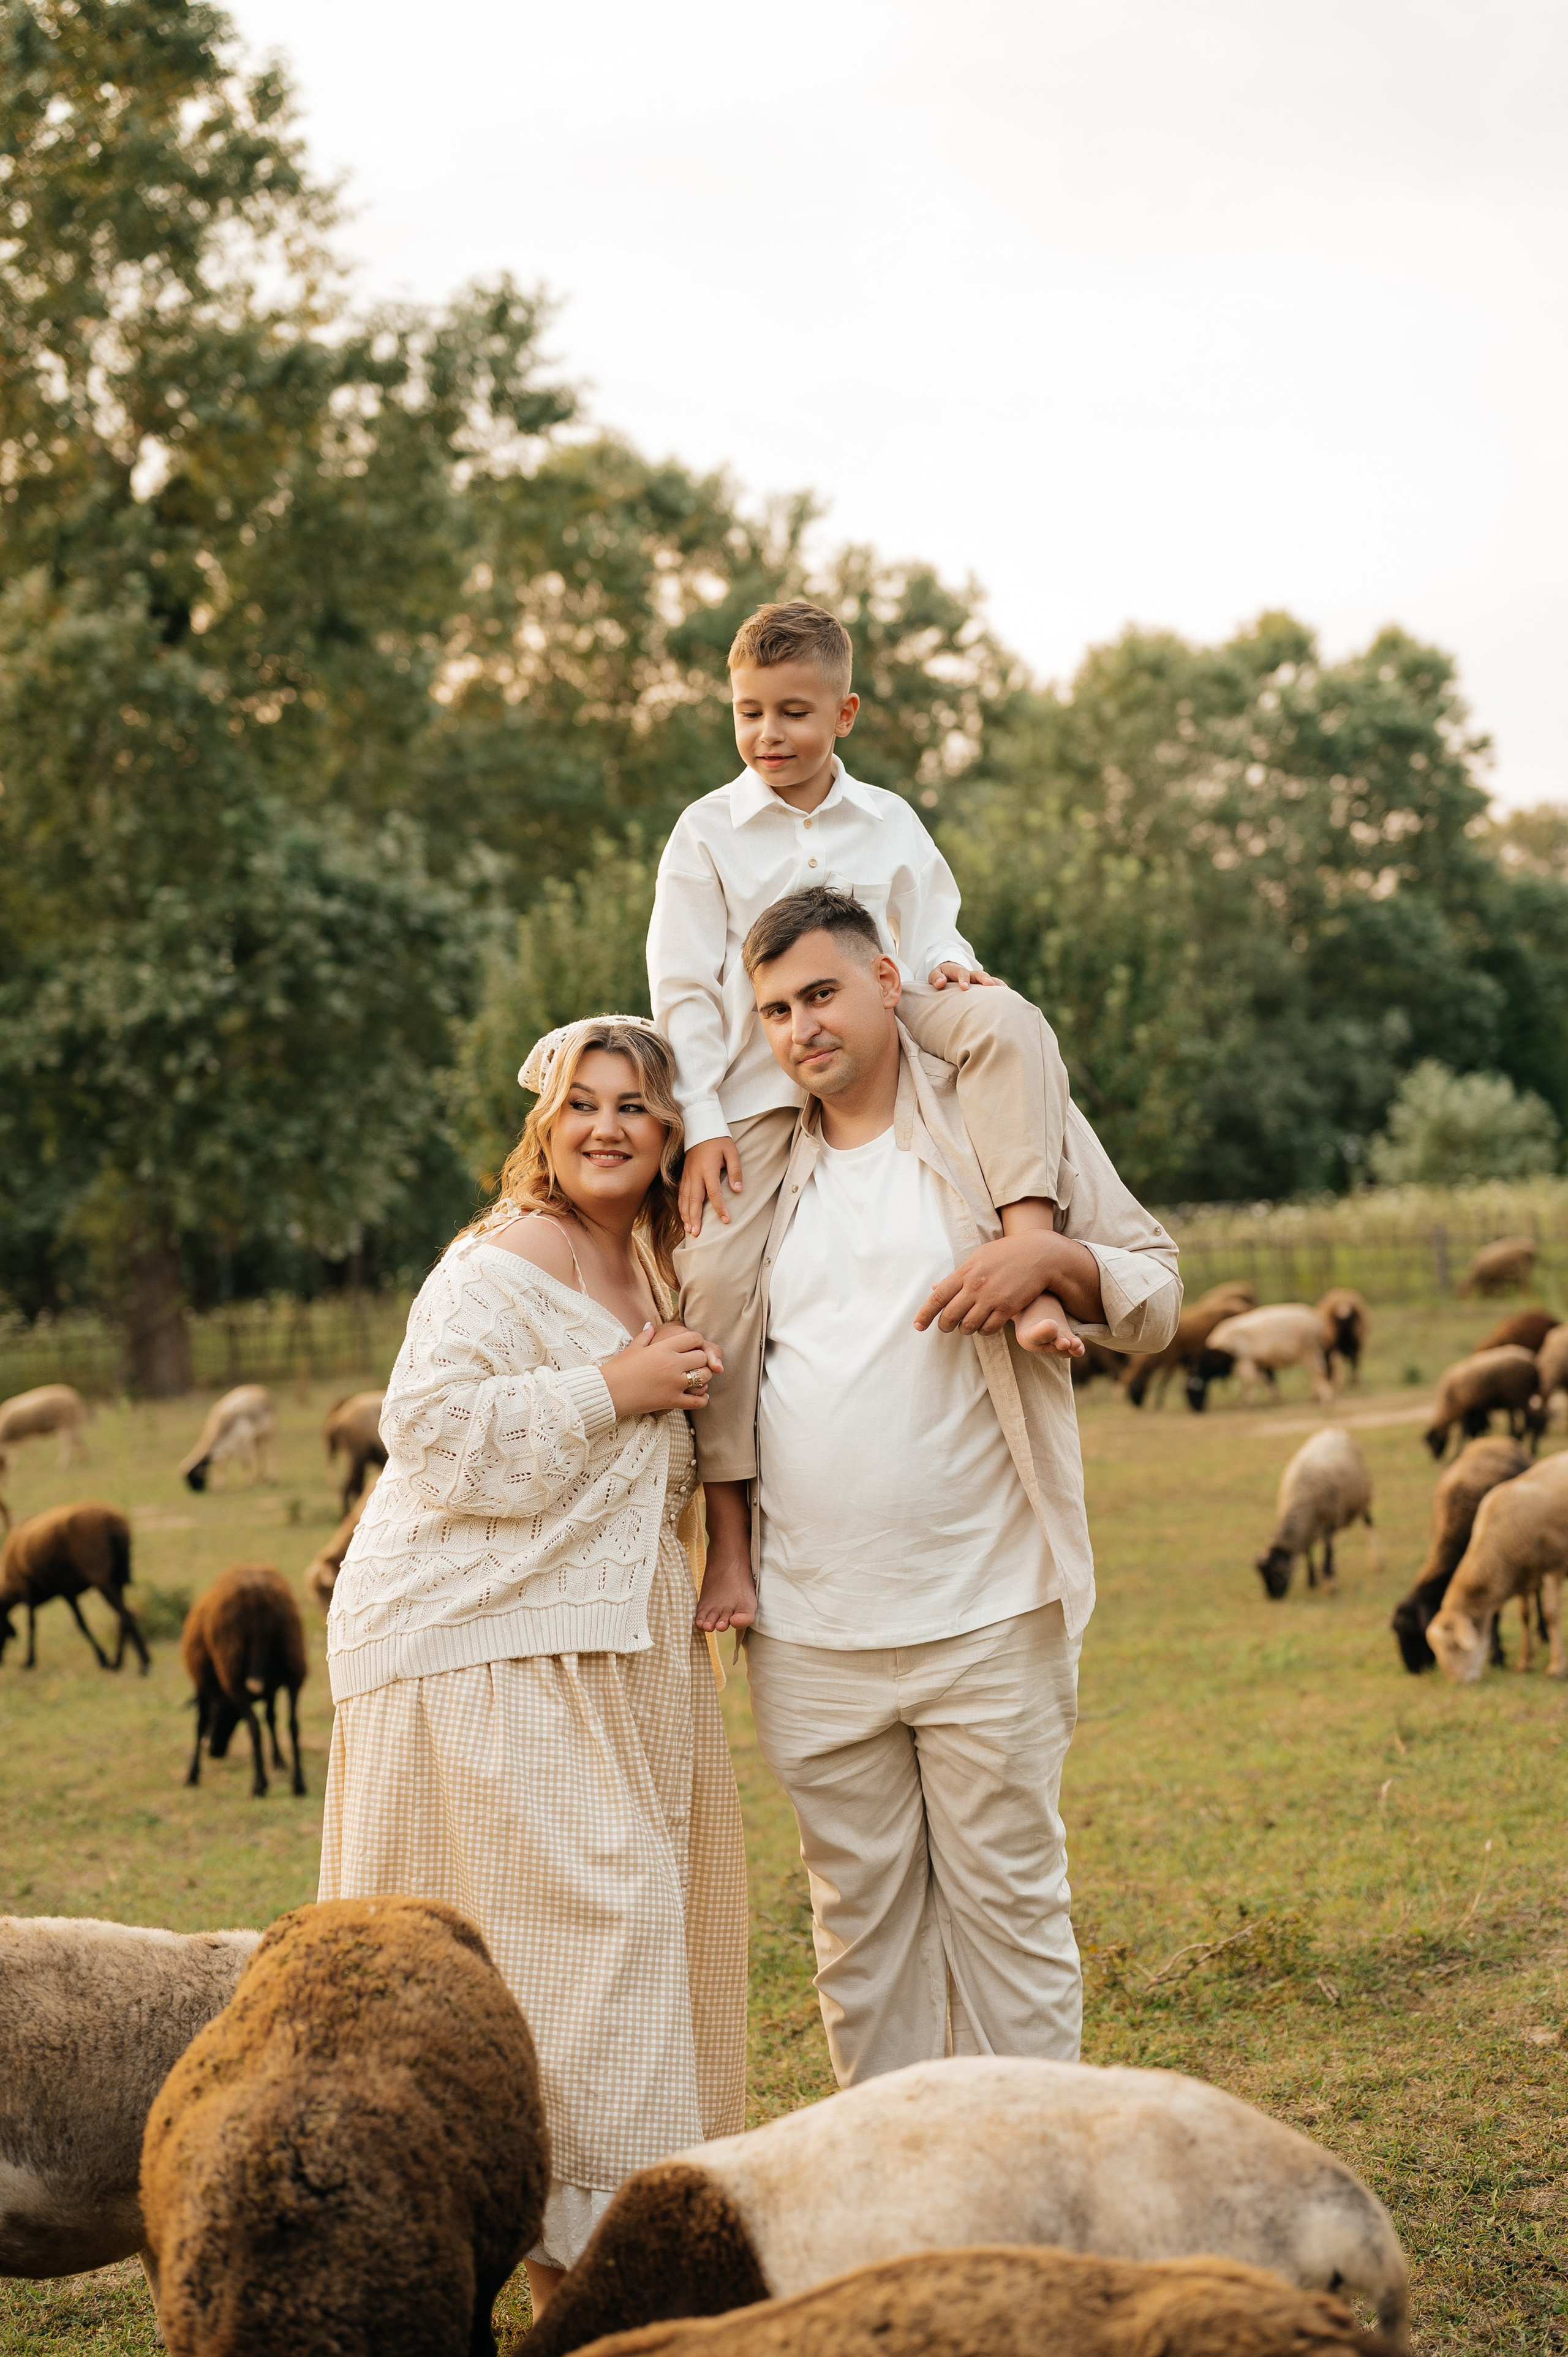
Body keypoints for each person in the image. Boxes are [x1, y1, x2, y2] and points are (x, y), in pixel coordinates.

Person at [698, 886, 1180, 2084]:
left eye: (819, 992)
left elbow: (1155, 1287)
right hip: (810, 1632)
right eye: (773, 1009)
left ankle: (1031, 2194)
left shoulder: (989, 1114)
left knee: (1009, 1912)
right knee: (858, 1935)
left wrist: (1050, 1258)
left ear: (887, 982)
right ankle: (899, 2212)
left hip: (987, 1607)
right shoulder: (760, 1171)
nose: (800, 1027)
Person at [318, 1017, 745, 2315]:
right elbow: (430, 1433)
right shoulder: (500, 1262)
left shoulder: (658, 1276)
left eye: (635, 1106)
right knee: (599, 1942)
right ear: (546, 1127)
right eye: (582, 1104)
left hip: (594, 1652)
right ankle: (592, 2277)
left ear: (672, 1135)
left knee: (598, 1957)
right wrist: (612, 1385)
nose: (606, 1125)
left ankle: (582, 2272)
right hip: (474, 1646)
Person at [647, 600, 1085, 1517]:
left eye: (794, 712)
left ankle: (1033, 1246)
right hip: (763, 1082)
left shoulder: (888, 820)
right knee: (717, 1280)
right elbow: (683, 989)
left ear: (843, 715)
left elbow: (929, 928)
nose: (768, 733)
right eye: (749, 711)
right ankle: (727, 1522)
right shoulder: (705, 834)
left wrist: (953, 967)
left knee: (1006, 1019)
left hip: (895, 1039)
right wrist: (706, 1126)